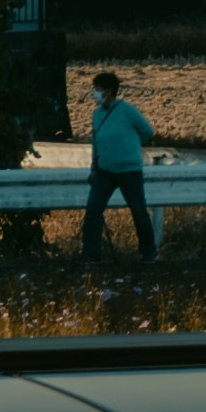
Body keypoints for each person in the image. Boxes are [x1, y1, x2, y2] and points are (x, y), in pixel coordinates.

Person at [81, 70, 157, 266]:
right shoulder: (97, 114)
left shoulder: (127, 110)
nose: (94, 93)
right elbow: (96, 142)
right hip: (104, 170)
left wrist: (129, 147)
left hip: (129, 170)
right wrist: (94, 167)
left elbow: (147, 131)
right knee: (93, 210)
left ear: (108, 91)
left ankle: (149, 253)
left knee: (138, 211)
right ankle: (91, 255)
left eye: (97, 89)